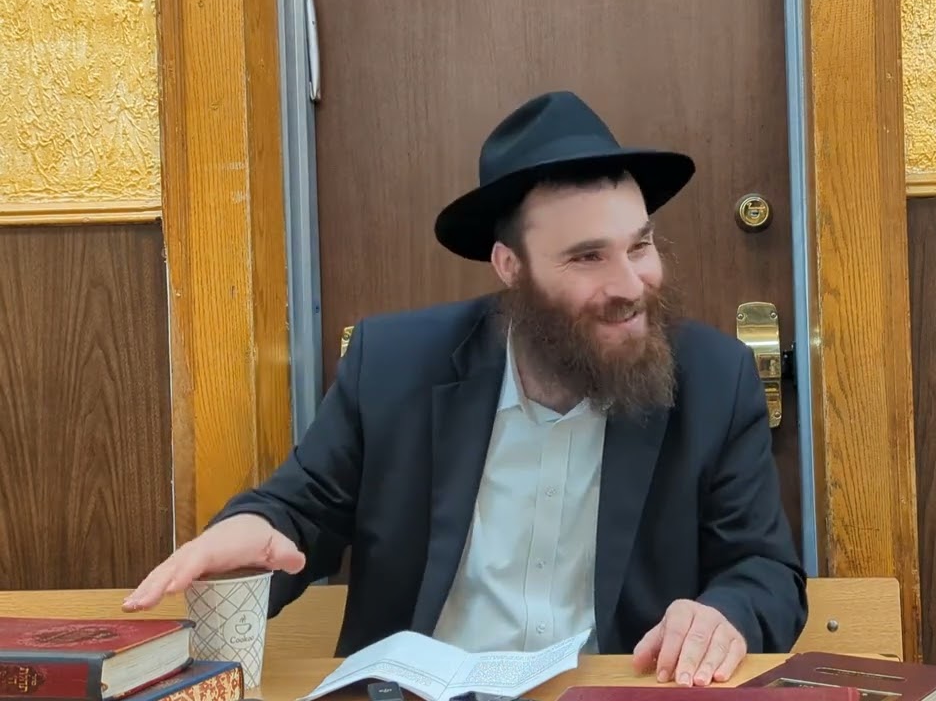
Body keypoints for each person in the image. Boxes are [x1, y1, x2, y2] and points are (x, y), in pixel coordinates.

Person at [123, 90, 807, 687]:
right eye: (587, 257)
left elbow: (766, 572)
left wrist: (724, 615)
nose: (631, 284)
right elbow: (298, 513)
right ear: (510, 266)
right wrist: (250, 534)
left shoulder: (712, 378)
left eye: (640, 246)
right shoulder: (395, 365)